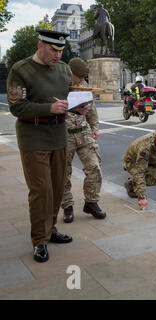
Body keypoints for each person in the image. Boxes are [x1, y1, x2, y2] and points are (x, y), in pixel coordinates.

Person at [7, 29, 74, 263]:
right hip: (33, 136)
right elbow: (16, 106)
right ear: (40, 46)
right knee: (41, 191)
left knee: (56, 188)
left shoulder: (65, 69)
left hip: (59, 135)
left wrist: (79, 107)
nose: (57, 55)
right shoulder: (21, 69)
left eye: (61, 50)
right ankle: (39, 241)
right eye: (53, 50)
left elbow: (69, 97)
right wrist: (48, 109)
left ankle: (51, 230)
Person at [61, 58, 106, 223]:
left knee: (94, 167)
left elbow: (92, 109)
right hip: (64, 134)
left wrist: (95, 127)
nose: (81, 79)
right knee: (63, 173)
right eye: (78, 76)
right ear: (69, 73)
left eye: (83, 76)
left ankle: (91, 202)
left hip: (84, 132)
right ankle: (67, 206)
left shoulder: (85, 86)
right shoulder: (58, 85)